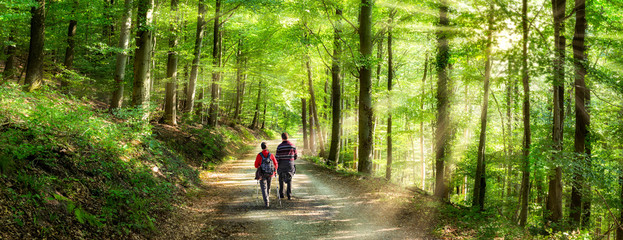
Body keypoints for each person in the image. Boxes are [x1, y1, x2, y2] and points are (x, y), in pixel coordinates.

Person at [255, 142, 278, 208]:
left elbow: (256, 165)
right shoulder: (271, 155)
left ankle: (266, 202)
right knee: (268, 187)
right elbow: (276, 164)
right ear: (267, 147)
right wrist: (275, 171)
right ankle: (267, 198)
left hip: (262, 174)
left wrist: (260, 166)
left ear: (261, 147)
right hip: (270, 174)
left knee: (263, 188)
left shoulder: (259, 155)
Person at [275, 132, 297, 200]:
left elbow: (277, 157)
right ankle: (289, 195)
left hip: (281, 164)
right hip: (290, 164)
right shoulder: (293, 146)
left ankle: (281, 194)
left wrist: (277, 165)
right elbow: (295, 156)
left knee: (281, 178)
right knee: (289, 178)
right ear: (288, 137)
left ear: (282, 138)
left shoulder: (279, 146)